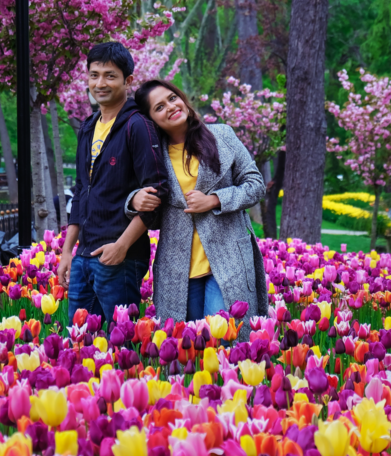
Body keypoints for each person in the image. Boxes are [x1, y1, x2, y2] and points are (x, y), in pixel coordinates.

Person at [127, 80, 268, 332]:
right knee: (185, 347)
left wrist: (215, 200)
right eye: (159, 107)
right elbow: (145, 204)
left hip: (228, 259)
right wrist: (134, 200)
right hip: (178, 267)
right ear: (151, 120)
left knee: (223, 338)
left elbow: (256, 184)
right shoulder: (152, 155)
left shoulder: (222, 136)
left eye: (172, 98)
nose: (170, 107)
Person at [57, 42, 170, 324]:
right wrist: (68, 252)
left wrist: (121, 246)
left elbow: (157, 193)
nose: (100, 83)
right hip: (84, 256)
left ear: (128, 81)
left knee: (121, 348)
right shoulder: (87, 127)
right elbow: (81, 191)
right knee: (80, 345)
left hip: (120, 257)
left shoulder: (137, 125)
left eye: (110, 75)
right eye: (94, 75)